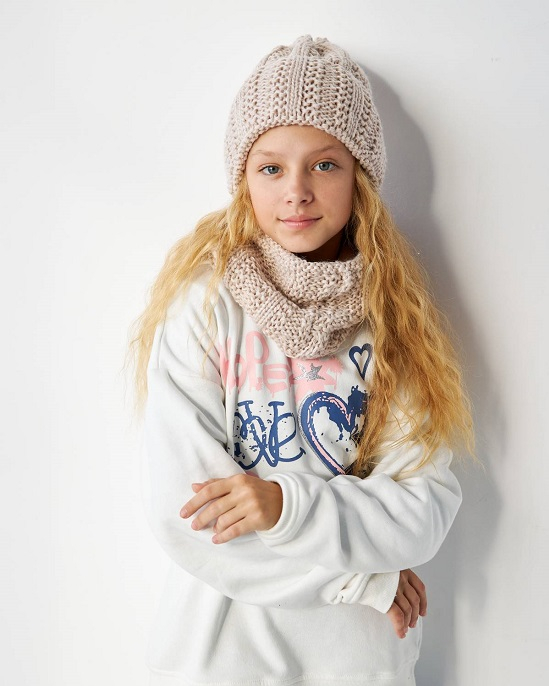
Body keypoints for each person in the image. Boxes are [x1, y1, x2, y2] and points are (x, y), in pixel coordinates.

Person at [128, 35, 474, 686]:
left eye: (324, 165)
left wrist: (283, 506)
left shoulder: (393, 321)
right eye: (270, 168)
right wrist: (361, 579)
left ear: (359, 177)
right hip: (221, 655)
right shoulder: (205, 306)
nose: (297, 192)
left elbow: (421, 509)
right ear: (243, 178)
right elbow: (188, 513)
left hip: (357, 660)